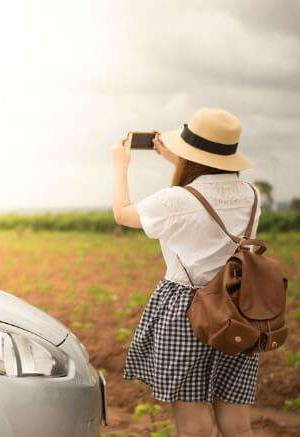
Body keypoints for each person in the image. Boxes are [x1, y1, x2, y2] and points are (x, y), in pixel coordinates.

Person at [110, 108, 262, 437]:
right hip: (240, 306)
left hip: (188, 310)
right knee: (236, 419)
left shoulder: (175, 200)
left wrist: (121, 167)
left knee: (194, 422)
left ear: (190, 153)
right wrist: (179, 161)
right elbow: (210, 194)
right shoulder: (252, 194)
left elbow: (123, 213)